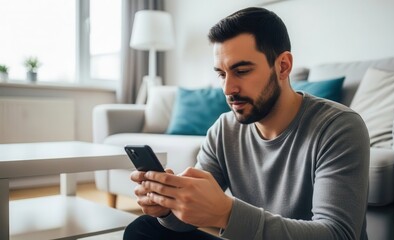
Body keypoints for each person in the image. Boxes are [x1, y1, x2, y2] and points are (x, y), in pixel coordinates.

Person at [124, 7, 369, 240]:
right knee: (144, 230)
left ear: (283, 66)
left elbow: (337, 234)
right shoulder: (224, 130)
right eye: (221, 74)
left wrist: (227, 213)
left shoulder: (339, 127)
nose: (228, 89)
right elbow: (184, 222)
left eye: (241, 71)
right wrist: (168, 206)